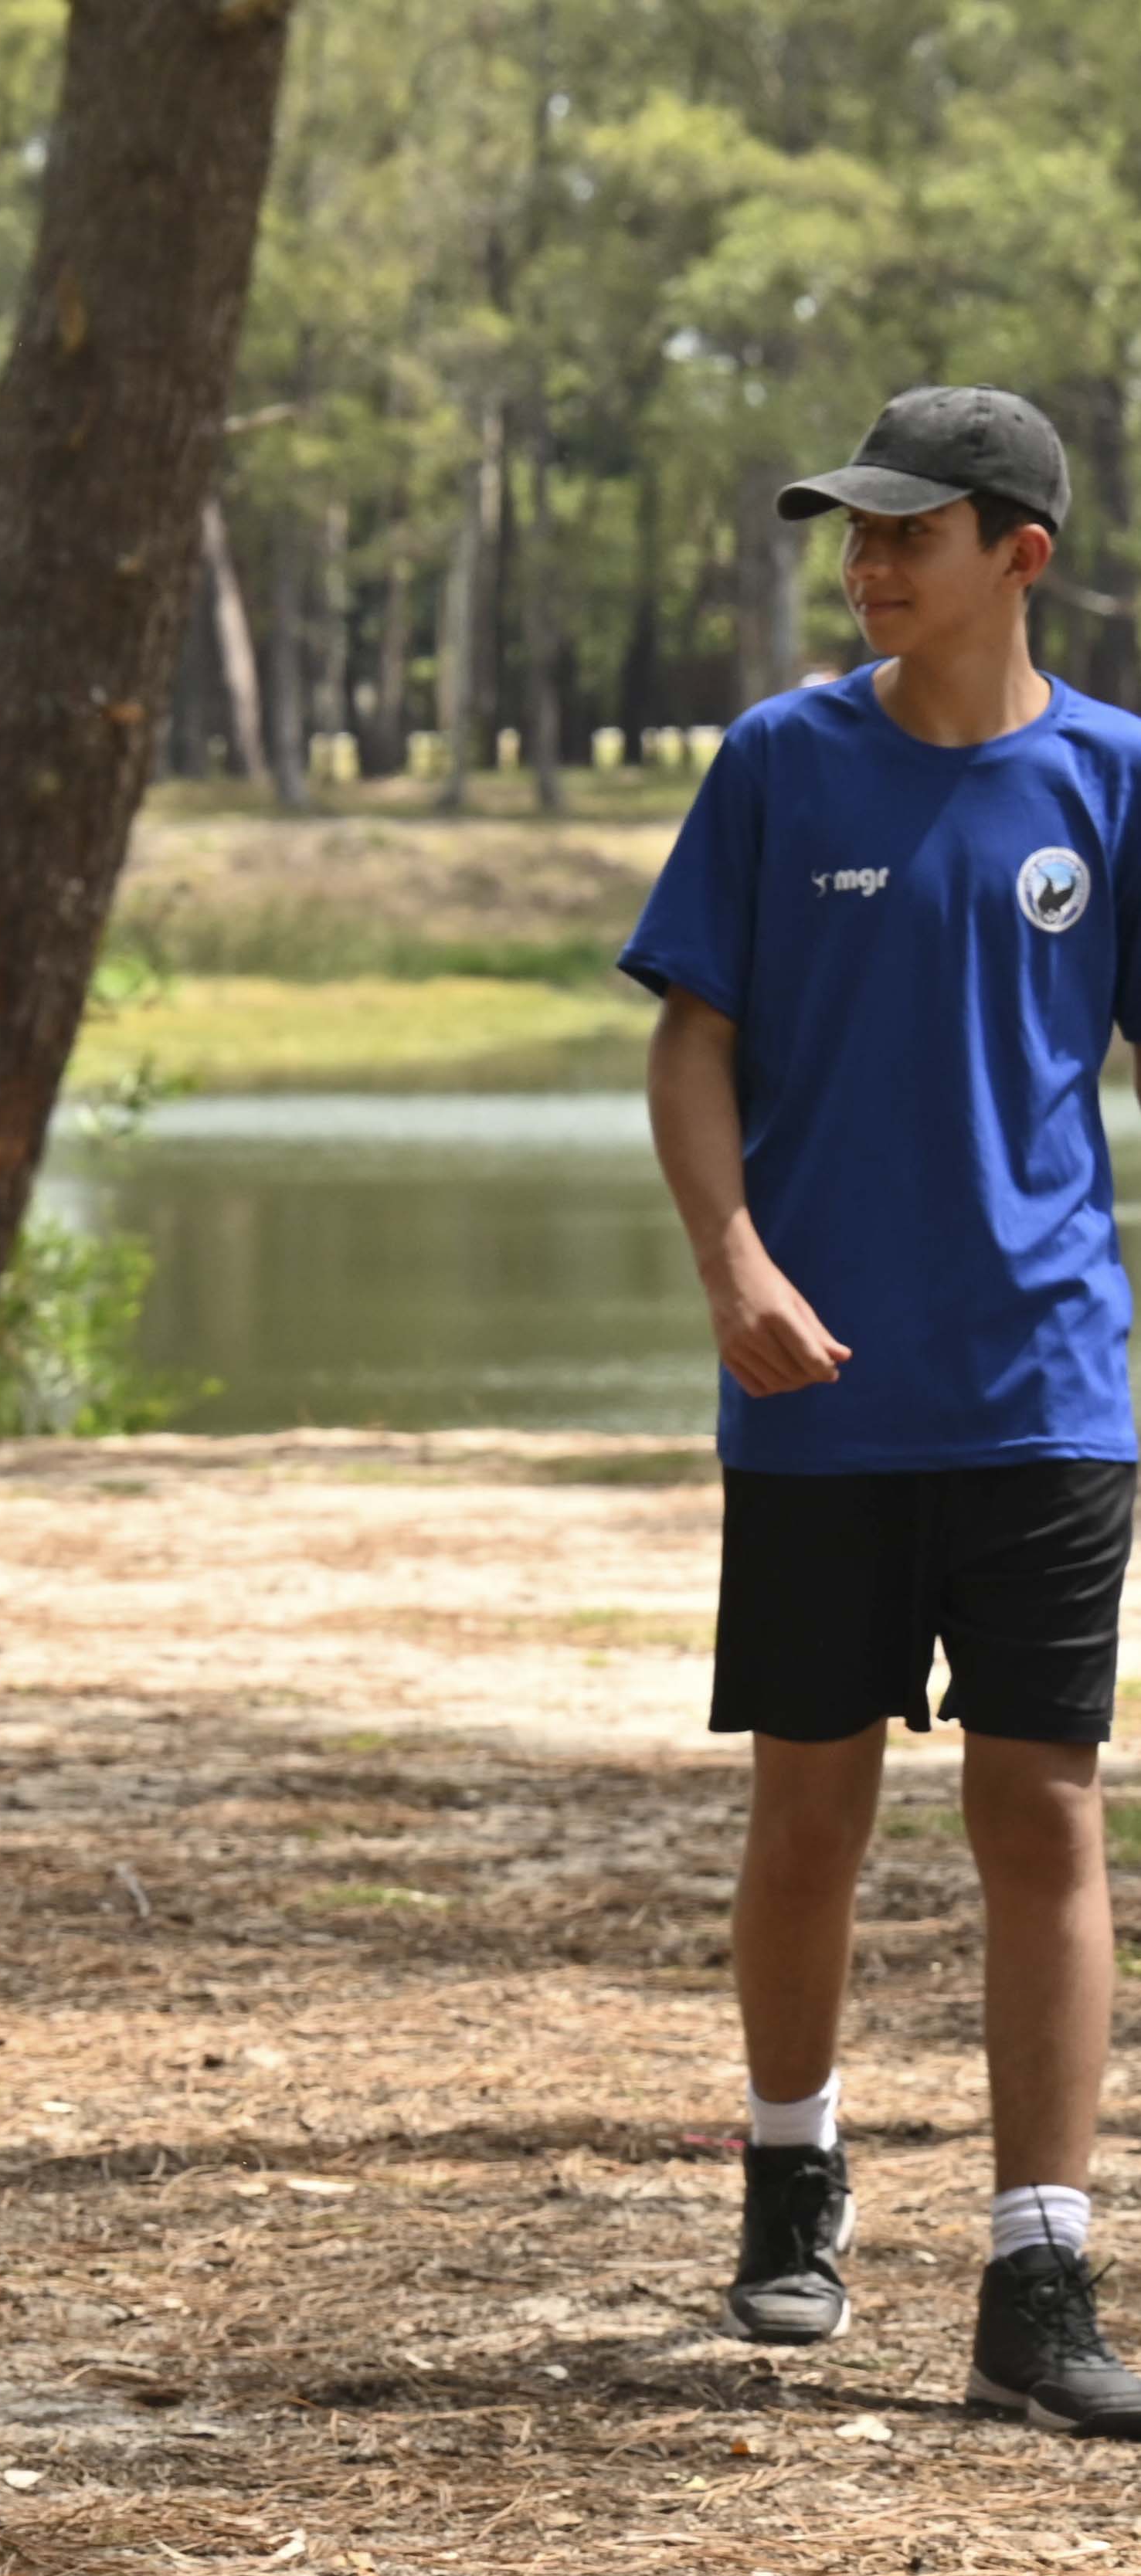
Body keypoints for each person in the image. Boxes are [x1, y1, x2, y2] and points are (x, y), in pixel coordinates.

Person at [620, 382, 1141, 2422]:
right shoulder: (776, 766)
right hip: (814, 1396)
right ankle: (787, 2169)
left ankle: (1038, 2283)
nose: (864, 564)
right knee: (808, 1806)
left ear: (1014, 552)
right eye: (849, 530)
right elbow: (689, 1050)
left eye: (906, 532)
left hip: (1044, 1395)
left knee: (1039, 1812)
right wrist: (733, 1264)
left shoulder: (1108, 777)